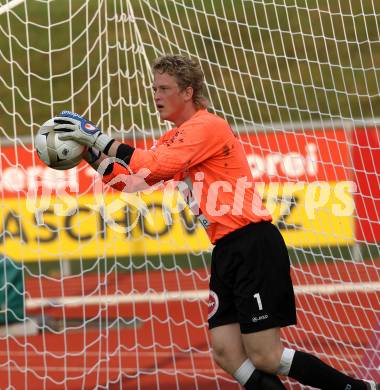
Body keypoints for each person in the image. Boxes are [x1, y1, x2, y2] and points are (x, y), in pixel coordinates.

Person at [54, 54, 378, 390]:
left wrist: (96, 136)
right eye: (154, 88)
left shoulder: (207, 126)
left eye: (164, 88)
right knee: (226, 351)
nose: (156, 95)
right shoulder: (174, 138)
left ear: (188, 92)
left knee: (265, 355)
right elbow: (133, 181)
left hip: (253, 243)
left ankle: (356, 388)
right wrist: (92, 156)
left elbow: (156, 165)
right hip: (226, 249)